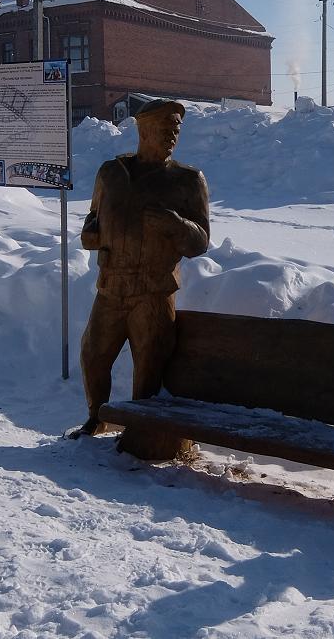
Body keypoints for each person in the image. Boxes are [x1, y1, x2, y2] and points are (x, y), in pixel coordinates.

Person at [77, 100, 210, 439]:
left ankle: (140, 431)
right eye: (165, 128)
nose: (172, 135)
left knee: (149, 362)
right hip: (111, 287)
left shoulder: (188, 180)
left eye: (176, 129)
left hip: (154, 291)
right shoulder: (111, 173)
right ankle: (96, 417)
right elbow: (93, 217)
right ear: (143, 130)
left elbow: (200, 243)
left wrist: (177, 225)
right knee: (93, 355)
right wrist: (91, 233)